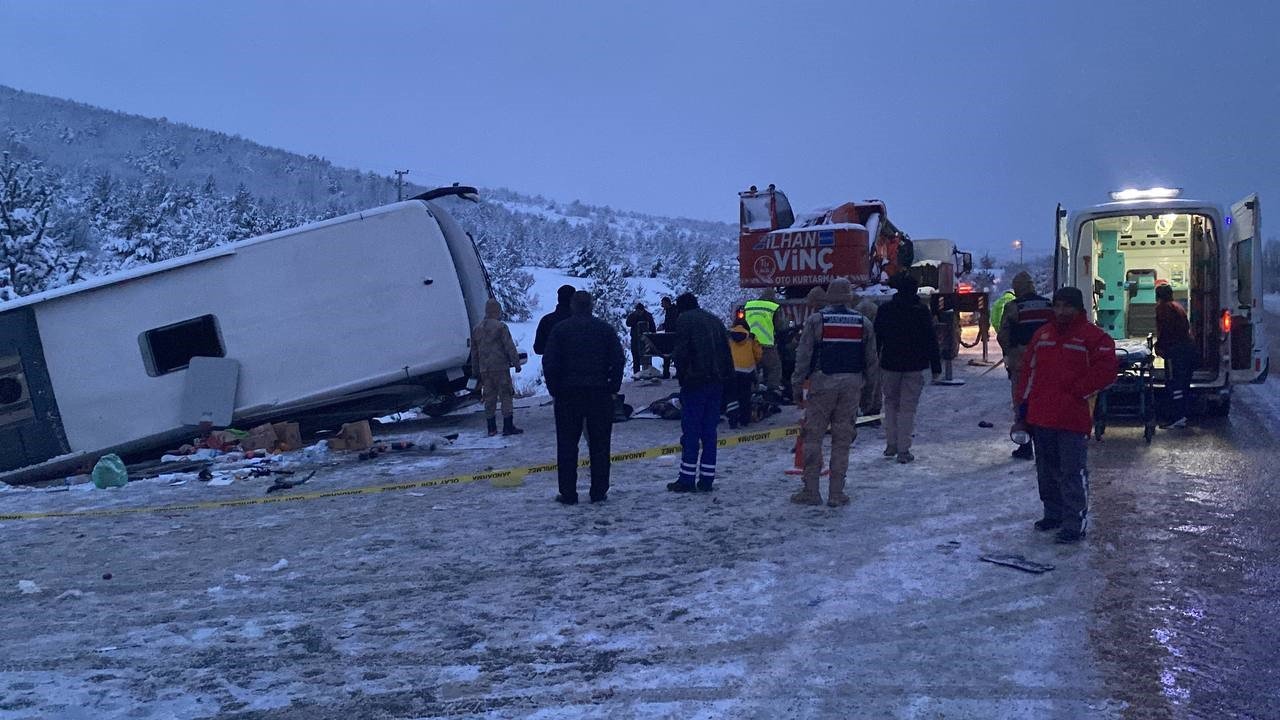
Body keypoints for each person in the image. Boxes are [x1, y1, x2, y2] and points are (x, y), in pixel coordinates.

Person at [1013, 286, 1117, 544]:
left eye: (1066, 306)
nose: (1061, 311)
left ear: (1078, 308)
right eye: (1057, 306)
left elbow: (1106, 371)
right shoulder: (1043, 335)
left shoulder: (1094, 338)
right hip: (1041, 416)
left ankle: (1074, 522)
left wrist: (1079, 390)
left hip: (1072, 418)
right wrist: (1023, 407)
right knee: (1046, 471)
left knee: (1072, 472)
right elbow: (1028, 373)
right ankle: (1053, 514)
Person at [790, 278, 879, 507]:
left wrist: (797, 385)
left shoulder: (817, 320)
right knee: (842, 440)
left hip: (822, 383)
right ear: (849, 297)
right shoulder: (863, 323)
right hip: (852, 386)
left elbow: (803, 356)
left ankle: (811, 490)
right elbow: (871, 363)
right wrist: (869, 395)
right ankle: (837, 493)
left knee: (813, 437)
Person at [543, 291, 625, 505]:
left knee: (567, 445)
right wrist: (613, 387)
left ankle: (568, 493)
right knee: (600, 445)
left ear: (572, 306)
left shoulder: (560, 330)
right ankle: (599, 491)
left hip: (567, 394)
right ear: (591, 306)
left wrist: (555, 390)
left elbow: (549, 363)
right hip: (599, 393)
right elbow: (618, 360)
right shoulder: (605, 329)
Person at [667, 292, 734, 493]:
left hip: (695, 383)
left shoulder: (684, 321)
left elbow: (681, 353)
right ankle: (707, 479)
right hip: (716, 382)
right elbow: (726, 352)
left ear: (681, 308)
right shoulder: (715, 321)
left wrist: (682, 375)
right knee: (709, 433)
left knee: (691, 432)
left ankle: (686, 479)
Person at [873, 273, 941, 463]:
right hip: (914, 365)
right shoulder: (921, 311)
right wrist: (936, 367)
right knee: (907, 408)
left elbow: (877, 338)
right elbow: (931, 340)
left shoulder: (885, 310)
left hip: (890, 364)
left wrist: (873, 362)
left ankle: (891, 444)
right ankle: (904, 450)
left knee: (890, 404)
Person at [997, 271, 1053, 460]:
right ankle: (1046, 445)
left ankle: (1025, 446)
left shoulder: (1014, 307)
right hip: (1046, 363)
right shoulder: (1048, 305)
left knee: (1022, 403)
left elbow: (1003, 335)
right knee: (1045, 403)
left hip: (1022, 363)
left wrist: (1010, 355)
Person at [470, 298, 524, 436]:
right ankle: (508, 426)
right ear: (496, 311)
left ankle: (491, 428)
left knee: (489, 397)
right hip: (500, 367)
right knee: (506, 395)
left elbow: (474, 353)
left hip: (485, 370)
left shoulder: (476, 329)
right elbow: (509, 346)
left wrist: (475, 371)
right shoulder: (501, 327)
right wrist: (516, 363)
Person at [1154, 284, 1195, 429]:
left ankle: (1176, 417)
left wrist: (1159, 347)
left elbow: (1166, 331)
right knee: (1183, 383)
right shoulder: (1177, 307)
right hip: (1186, 349)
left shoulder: (1164, 309)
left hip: (1176, 351)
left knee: (1174, 383)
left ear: (1158, 296)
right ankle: (1181, 414)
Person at [743, 289, 788, 398]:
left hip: (749, 344)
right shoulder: (772, 307)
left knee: (753, 368)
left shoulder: (749, 306)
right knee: (774, 367)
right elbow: (780, 327)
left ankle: (752, 391)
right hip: (766, 344)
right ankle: (772, 391)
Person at [726, 319, 763, 428]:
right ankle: (744, 420)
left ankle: (733, 420)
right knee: (745, 396)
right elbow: (758, 354)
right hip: (747, 371)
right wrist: (754, 362)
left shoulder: (728, 336)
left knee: (732, 396)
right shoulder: (751, 337)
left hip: (732, 370)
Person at [854, 293, 884, 418]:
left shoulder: (858, 313)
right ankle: (873, 408)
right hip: (874, 348)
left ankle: (863, 406)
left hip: (859, 349)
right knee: (874, 378)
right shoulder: (872, 311)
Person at [533, 284, 576, 356]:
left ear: (558, 299)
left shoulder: (546, 320)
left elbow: (538, 348)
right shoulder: (581, 322)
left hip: (552, 361)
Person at [625, 302, 657, 376]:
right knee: (636, 357)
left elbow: (653, 328)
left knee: (647, 357)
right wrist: (634, 317)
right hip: (635, 339)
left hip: (646, 340)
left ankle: (648, 373)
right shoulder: (633, 315)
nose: (638, 312)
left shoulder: (647, 315)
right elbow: (628, 323)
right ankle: (637, 374)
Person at [659, 296, 680, 379]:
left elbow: (672, 323)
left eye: (663, 303)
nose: (662, 305)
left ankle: (676, 372)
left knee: (673, 354)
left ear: (667, 303)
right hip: (669, 335)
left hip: (673, 335)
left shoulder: (673, 311)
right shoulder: (669, 311)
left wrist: (664, 326)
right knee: (668, 354)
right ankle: (666, 373)